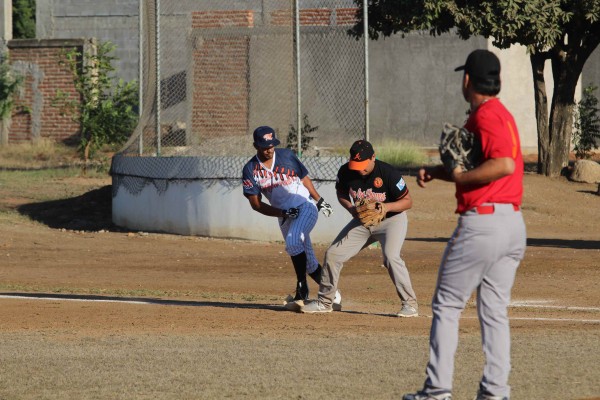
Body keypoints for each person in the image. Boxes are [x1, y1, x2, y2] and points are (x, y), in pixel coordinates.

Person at [403, 50, 526, 400]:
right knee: (494, 311)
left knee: (447, 304)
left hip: (483, 225)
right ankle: (495, 392)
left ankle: (437, 390)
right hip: (511, 224)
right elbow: (486, 164)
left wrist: (460, 177)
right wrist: (442, 173)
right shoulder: (502, 115)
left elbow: (501, 164)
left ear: (468, 80)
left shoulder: (486, 115)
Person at [299, 139, 418, 317]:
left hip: (391, 220)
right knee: (333, 254)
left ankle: (410, 305)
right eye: (356, 164)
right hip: (362, 221)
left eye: (363, 164)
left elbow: (408, 202)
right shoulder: (346, 171)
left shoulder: (388, 173)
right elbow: (341, 193)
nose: (359, 168)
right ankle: (325, 302)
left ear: (373, 158)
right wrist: (352, 209)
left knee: (391, 258)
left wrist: (386, 207)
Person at [242, 125, 340, 311]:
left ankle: (301, 288)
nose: (270, 149)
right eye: (265, 146)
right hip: (285, 215)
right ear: (256, 145)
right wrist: (282, 213)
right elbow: (255, 204)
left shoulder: (286, 155)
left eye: (272, 145)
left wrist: (319, 201)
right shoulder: (251, 169)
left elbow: (304, 178)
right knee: (309, 262)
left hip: (305, 206)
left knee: (294, 241)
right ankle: (333, 294)